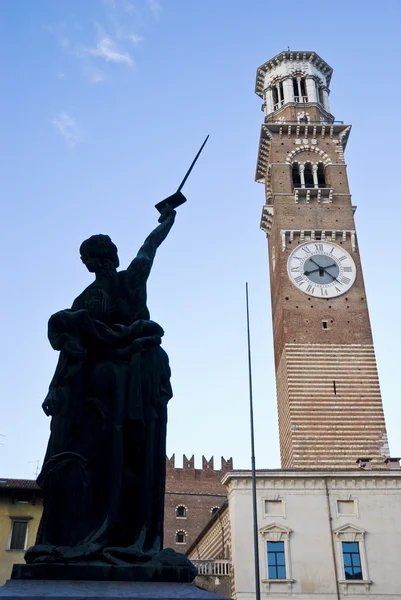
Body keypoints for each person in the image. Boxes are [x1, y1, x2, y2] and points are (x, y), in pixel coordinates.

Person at [25, 195, 184, 565]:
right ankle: (127, 532)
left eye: (86, 260)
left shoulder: (86, 299)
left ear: (91, 262)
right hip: (138, 374)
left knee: (105, 452)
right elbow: (151, 244)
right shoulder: (134, 276)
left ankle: (95, 530)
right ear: (112, 255)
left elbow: (70, 351)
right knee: (131, 452)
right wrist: (167, 219)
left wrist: (54, 387)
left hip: (106, 382)